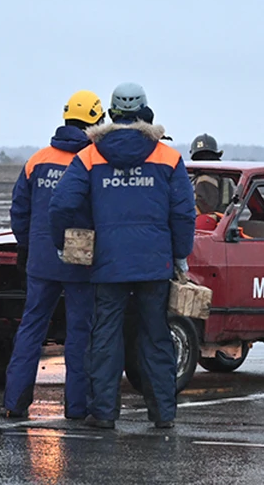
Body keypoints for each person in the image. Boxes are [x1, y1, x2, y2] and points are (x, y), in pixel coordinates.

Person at [49, 82, 196, 429]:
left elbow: (61, 205)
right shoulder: (168, 157)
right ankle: (163, 414)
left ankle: (103, 413)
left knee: (105, 337)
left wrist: (63, 243)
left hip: (107, 264)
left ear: (111, 113)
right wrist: (180, 256)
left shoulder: (90, 155)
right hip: (154, 264)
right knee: (156, 337)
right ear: (145, 111)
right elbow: (184, 214)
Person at [3, 90, 105, 420]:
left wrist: (27, 246)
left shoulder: (37, 160)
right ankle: (77, 409)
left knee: (31, 329)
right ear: (95, 121)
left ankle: (14, 404)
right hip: (80, 260)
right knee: (79, 335)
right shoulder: (93, 161)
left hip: (41, 260)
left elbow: (19, 210)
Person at [189, 133, 233, 230]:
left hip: (207, 228)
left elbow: (204, 207)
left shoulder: (206, 176)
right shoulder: (224, 175)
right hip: (221, 226)